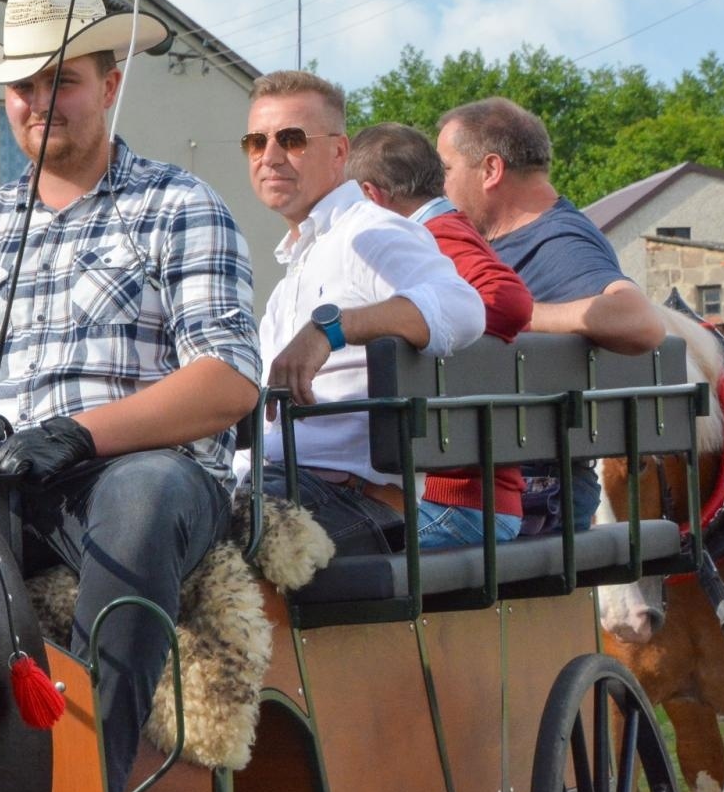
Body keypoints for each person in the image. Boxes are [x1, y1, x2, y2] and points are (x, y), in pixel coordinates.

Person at [0, 0, 261, 792]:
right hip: (2, 480)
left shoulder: (178, 205)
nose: (38, 102)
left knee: (139, 503)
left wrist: (83, 433)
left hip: (141, 473)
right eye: (22, 86)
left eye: (62, 80)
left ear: (111, 85)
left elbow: (228, 377)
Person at [241, 71, 485, 556]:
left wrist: (329, 328)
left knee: (198, 537)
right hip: (285, 490)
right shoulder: (298, 268)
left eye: (292, 139)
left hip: (352, 502)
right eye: (255, 142)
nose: (270, 156)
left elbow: (463, 308)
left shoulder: (368, 233)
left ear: (339, 152)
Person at [436, 96, 665, 532]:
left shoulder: (557, 240)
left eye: (445, 169)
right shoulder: (510, 238)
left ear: (490, 170)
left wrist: (508, 314)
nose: (438, 185)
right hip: (502, 491)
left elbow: (640, 321)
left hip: (532, 499)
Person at [346, 122, 533, 548]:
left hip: (457, 502)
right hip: (472, 498)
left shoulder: (436, 238)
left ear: (372, 197)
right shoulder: (452, 230)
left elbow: (509, 300)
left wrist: (420, 320)